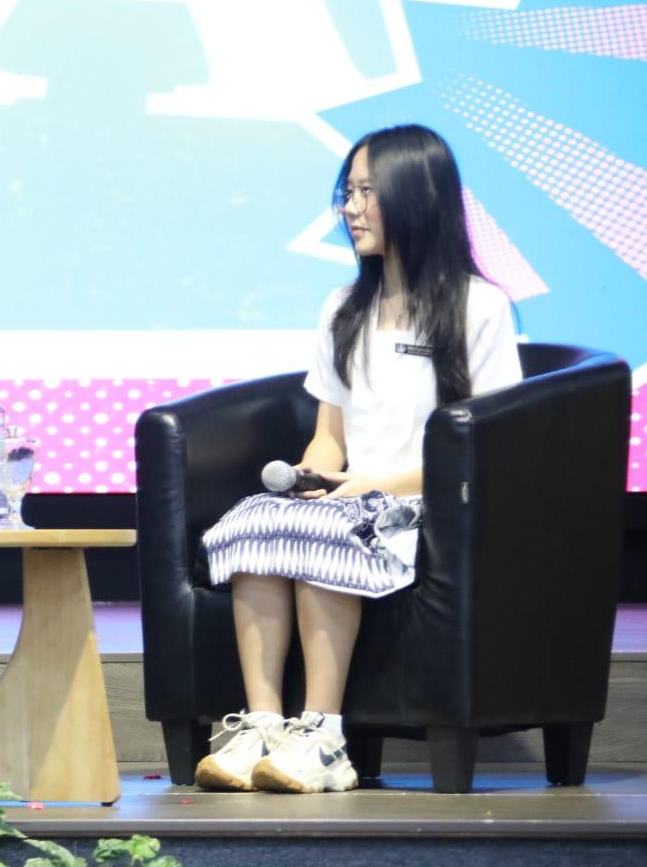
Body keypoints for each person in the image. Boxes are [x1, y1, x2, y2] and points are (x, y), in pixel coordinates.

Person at [194, 124, 522, 795]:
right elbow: (329, 436)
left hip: (426, 502)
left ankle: (324, 738)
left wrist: (377, 485)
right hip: (354, 494)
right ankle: (264, 727)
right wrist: (311, 478)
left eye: (367, 192)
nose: (350, 208)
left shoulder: (480, 307)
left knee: (327, 531)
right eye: (347, 192)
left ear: (416, 195)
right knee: (257, 520)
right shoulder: (343, 307)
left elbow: (487, 443)